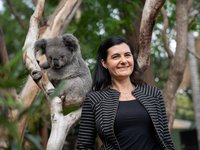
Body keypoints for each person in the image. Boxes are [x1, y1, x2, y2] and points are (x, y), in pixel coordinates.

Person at [76, 35, 175, 150]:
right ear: (104, 63)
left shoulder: (153, 94)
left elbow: (166, 141)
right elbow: (84, 146)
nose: (123, 61)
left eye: (127, 55)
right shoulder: (94, 99)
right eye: (115, 57)